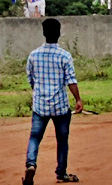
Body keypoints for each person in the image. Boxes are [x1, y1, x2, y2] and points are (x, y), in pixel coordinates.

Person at [23, 17, 83, 184]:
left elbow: (31, 79)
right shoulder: (64, 56)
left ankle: (31, 164)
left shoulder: (33, 55)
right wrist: (78, 99)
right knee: (62, 140)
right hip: (60, 106)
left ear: (43, 33)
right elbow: (71, 80)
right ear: (59, 33)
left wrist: (39, 92)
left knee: (35, 137)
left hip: (39, 105)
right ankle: (61, 173)